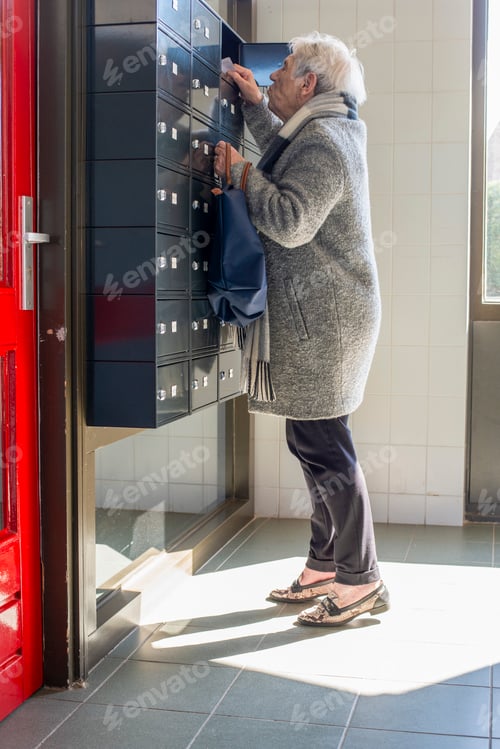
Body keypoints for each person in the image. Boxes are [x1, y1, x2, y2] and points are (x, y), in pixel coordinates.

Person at [213, 31, 389, 627]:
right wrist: (257, 112)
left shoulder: (326, 141)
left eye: (280, 72)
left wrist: (240, 175)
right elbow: (288, 163)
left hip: (327, 322)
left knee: (325, 447)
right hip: (324, 318)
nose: (272, 78)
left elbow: (289, 220)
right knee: (311, 441)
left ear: (310, 83)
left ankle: (361, 579)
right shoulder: (322, 129)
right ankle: (324, 563)